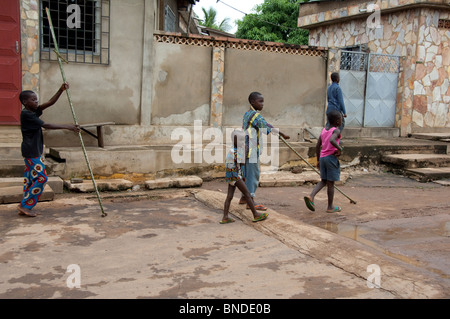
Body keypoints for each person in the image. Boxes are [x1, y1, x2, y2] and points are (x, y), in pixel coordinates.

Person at [17, 83, 80, 217]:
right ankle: (25, 205)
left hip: (34, 151)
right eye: (33, 100)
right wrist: (69, 127)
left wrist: (60, 90)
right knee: (41, 178)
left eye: (36, 99)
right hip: (32, 152)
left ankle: (24, 205)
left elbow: (50, 103)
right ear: (25, 102)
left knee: (31, 179)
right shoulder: (27, 115)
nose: (36, 102)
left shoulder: (32, 111)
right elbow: (46, 125)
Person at [238, 92, 290, 211]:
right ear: (252, 102)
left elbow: (264, 125)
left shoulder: (247, 114)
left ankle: (244, 197)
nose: (262, 104)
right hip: (250, 150)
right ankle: (250, 201)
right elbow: (266, 126)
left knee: (245, 174)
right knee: (253, 175)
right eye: (260, 102)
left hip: (243, 148)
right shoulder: (255, 116)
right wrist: (282, 134)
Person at [221, 130, 268, 224]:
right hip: (235, 176)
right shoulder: (237, 151)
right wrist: (244, 150)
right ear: (234, 141)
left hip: (230, 177)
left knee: (229, 196)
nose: (242, 143)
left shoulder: (231, 151)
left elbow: (233, 165)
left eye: (243, 141)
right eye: (240, 141)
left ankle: (225, 217)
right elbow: (242, 163)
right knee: (247, 194)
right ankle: (256, 215)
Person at [304, 110, 343, 214]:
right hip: (331, 159)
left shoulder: (324, 130)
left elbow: (317, 146)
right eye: (341, 119)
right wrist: (340, 149)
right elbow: (332, 141)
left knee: (324, 181)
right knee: (331, 184)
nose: (341, 121)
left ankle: (311, 196)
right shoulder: (336, 131)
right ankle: (330, 206)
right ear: (338, 121)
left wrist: (318, 160)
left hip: (322, 158)